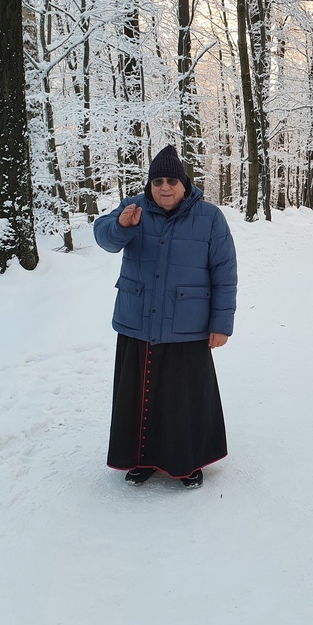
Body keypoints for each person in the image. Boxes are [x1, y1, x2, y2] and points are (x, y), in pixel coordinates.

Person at [93, 145, 238, 488]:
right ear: (150, 184)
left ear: (184, 183)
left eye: (172, 180)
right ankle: (139, 460)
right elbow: (104, 237)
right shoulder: (134, 208)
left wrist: (221, 323)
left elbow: (225, 271)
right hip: (138, 322)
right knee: (138, 396)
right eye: (157, 180)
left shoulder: (209, 217)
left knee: (182, 399)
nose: (164, 187)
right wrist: (121, 225)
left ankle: (187, 462)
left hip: (187, 326)